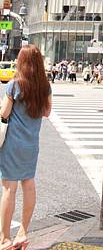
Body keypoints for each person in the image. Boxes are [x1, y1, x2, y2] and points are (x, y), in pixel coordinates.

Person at [0, 45, 52, 250]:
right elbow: (47, 112)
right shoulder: (45, 87)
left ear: (21, 62)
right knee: (28, 184)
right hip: (32, 143)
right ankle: (23, 232)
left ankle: (4, 239)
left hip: (12, 143)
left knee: (9, 189)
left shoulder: (14, 86)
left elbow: (4, 114)